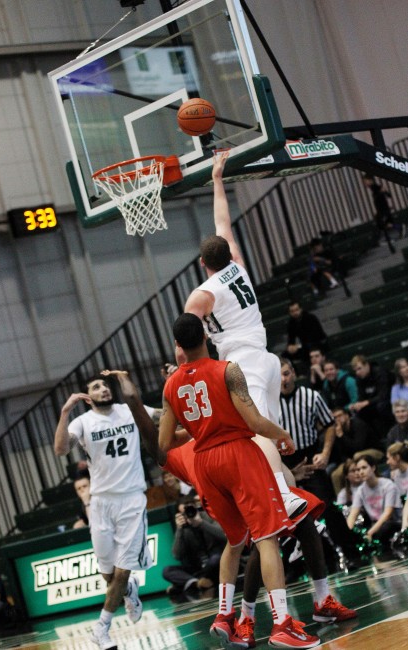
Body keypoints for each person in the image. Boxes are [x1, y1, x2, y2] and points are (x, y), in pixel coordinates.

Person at [111, 364, 357, 649]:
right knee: (264, 538)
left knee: (283, 526)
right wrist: (139, 398)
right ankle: (251, 618)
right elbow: (152, 419)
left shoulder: (195, 428)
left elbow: (178, 409)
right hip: (229, 477)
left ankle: (242, 614)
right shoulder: (173, 447)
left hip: (234, 475)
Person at [159, 313, 320, 649]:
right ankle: (282, 624)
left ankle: (224, 615)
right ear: (205, 336)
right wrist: (282, 435)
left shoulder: (170, 385)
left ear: (177, 345)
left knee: (235, 541)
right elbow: (255, 422)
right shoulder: (227, 370)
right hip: (237, 455)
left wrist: (200, 427)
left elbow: (165, 444)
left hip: (204, 462)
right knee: (267, 538)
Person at [184, 150, 305, 519]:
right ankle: (294, 500)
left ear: (202, 263)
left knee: (257, 434)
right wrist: (217, 178)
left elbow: (186, 338)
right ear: (227, 255)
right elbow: (224, 223)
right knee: (266, 435)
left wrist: (187, 370)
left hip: (243, 365)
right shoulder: (237, 266)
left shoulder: (203, 294)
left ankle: (284, 496)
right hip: (266, 359)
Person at [54, 372, 160, 650]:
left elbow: (161, 416)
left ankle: (101, 629)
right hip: (101, 503)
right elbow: (61, 449)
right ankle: (128, 591)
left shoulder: (128, 410)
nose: (103, 389)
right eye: (96, 387)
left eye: (105, 385)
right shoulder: (83, 422)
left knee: (123, 571)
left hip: (131, 500)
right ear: (88, 397)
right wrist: (65, 412)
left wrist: (123, 378)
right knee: (108, 573)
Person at [279, 358, 362, 564]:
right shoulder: (268, 400)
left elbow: (330, 424)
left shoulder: (311, 396)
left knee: (327, 507)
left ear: (294, 373)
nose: (283, 379)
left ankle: (351, 553)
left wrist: (325, 453)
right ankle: (318, 560)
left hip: (309, 457)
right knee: (290, 515)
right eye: (279, 375)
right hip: (284, 463)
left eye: (286, 373)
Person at [162, 492, 225, 599]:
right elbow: (177, 555)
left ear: (196, 507)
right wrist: (179, 530)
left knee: (216, 559)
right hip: (196, 568)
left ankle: (187, 583)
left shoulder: (207, 516)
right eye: (184, 513)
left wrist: (201, 523)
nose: (188, 514)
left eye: (190, 510)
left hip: (214, 565)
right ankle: (197, 582)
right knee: (167, 571)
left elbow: (224, 536)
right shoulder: (182, 527)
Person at [347, 454, 402, 548]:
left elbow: (388, 514)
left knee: (384, 528)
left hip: (391, 523)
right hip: (374, 526)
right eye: (358, 469)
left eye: (364, 468)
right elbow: (352, 515)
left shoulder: (388, 485)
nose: (361, 472)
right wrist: (350, 533)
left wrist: (370, 533)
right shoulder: (360, 490)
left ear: (373, 468)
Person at [330, 408, 383, 495]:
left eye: (339, 416)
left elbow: (358, 447)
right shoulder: (337, 431)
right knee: (335, 475)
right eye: (335, 418)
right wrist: (346, 460)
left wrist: (342, 436)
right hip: (353, 459)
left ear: (347, 415)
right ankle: (343, 500)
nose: (337, 419)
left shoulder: (358, 424)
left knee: (357, 455)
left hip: (374, 451)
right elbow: (340, 452)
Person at [349, 354, 393, 446]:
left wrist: (366, 402)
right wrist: (356, 405)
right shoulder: (359, 379)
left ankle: (388, 435)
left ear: (367, 365)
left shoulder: (380, 372)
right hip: (373, 402)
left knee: (381, 406)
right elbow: (361, 396)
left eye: (359, 368)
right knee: (360, 412)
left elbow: (384, 394)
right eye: (355, 370)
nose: (357, 372)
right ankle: (373, 441)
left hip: (389, 399)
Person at [285, 301, 328, 375]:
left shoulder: (310, 317)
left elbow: (316, 336)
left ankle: (318, 370)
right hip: (305, 346)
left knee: (309, 348)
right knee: (285, 355)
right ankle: (296, 374)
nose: (295, 313)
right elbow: (291, 339)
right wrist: (290, 347)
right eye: (292, 311)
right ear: (289, 313)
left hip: (318, 343)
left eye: (296, 310)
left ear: (301, 309)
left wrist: (298, 346)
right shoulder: (291, 323)